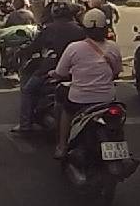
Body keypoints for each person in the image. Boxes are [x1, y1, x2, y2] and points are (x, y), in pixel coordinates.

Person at [48, 8, 122, 158]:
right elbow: (117, 71)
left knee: (66, 110)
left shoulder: (74, 48)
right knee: (117, 121)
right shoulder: (113, 47)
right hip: (107, 99)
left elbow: (61, 72)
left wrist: (52, 74)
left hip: (79, 100)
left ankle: (62, 146)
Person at [11, 0, 86, 133]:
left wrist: (22, 51)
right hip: (75, 71)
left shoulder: (49, 29)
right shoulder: (80, 30)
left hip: (51, 70)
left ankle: (25, 125)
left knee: (28, 90)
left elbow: (35, 46)